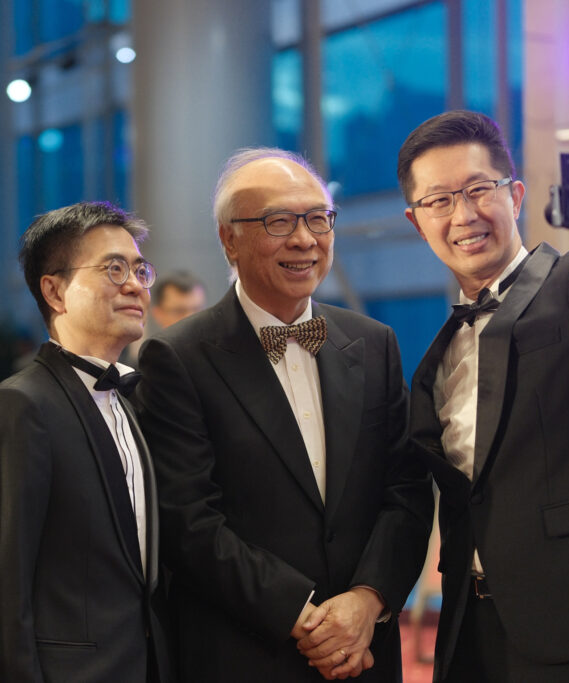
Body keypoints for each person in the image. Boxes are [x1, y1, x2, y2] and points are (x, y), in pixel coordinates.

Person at [135, 148, 433, 681]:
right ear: (230, 239)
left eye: (319, 218)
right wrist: (308, 619)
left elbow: (405, 491)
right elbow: (189, 521)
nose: (304, 239)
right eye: (278, 221)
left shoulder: (373, 343)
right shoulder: (179, 356)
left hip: (363, 652)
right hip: (246, 653)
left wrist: (367, 601)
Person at [398, 110, 569, 682]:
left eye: (478, 190)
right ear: (416, 221)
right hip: (470, 625)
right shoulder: (442, 351)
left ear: (515, 195)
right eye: (439, 201)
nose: (464, 215)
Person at [0, 201, 172, 683]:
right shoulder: (20, 406)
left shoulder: (133, 401)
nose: (135, 284)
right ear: (55, 291)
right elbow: (1, 594)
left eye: (140, 269)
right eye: (114, 268)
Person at [121, 270, 206, 366]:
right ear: (158, 314)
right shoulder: (142, 370)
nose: (190, 317)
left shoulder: (218, 361)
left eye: (197, 309)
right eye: (179, 311)